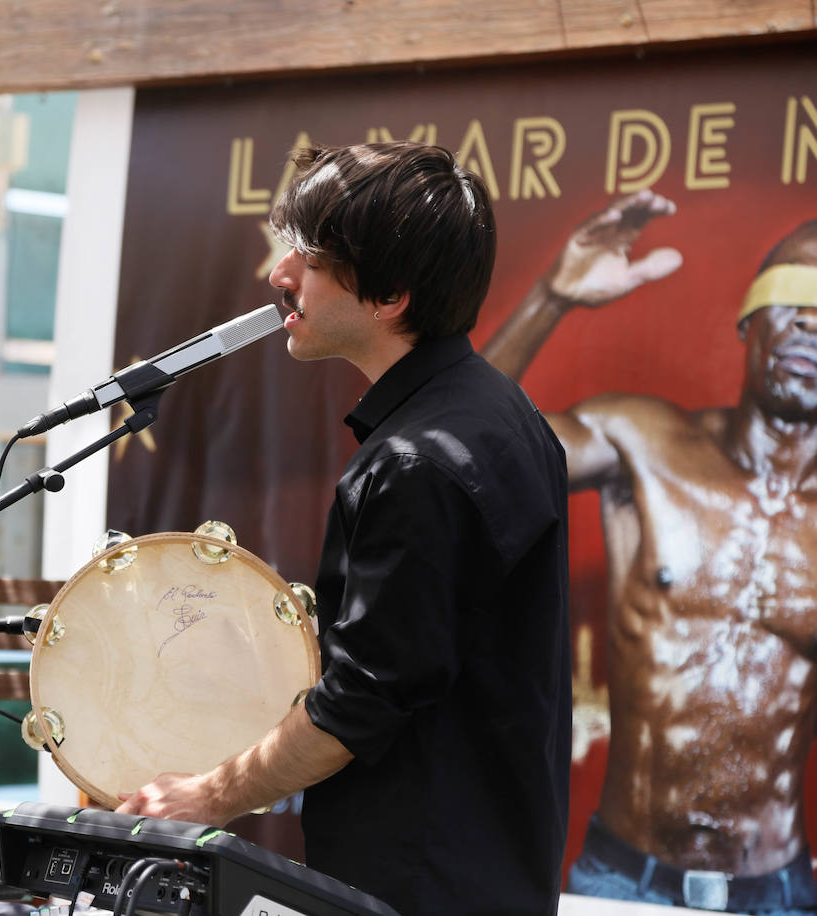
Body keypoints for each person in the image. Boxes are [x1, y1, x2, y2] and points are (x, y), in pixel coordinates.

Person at [116, 142, 572, 916]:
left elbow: (359, 704)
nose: (279, 275)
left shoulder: (417, 463)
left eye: (309, 257)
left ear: (390, 293)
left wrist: (205, 797)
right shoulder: (502, 417)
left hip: (417, 887)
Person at [482, 197, 817, 913]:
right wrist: (551, 297)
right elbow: (468, 446)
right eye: (794, 295)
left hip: (781, 892)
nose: (812, 321)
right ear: (747, 321)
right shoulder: (644, 443)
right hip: (622, 880)